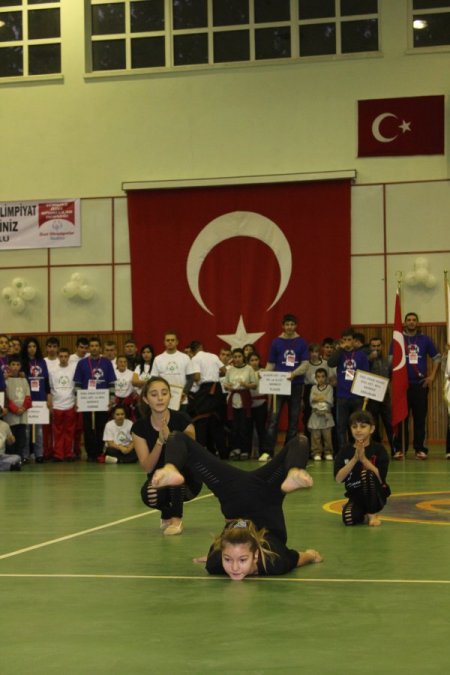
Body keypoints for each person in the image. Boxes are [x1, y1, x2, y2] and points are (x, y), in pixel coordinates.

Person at [151, 431, 322, 580]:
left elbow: (298, 558)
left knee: (177, 437)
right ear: (256, 556)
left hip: (234, 495)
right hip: (265, 493)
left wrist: (218, 556)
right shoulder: (272, 561)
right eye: (229, 559)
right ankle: (294, 471)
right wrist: (311, 555)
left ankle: (170, 467)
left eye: (239, 560)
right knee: (299, 441)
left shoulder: (216, 563)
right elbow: (297, 558)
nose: (234, 568)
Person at [132, 376, 196, 536]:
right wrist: (160, 441)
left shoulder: (183, 419)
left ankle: (176, 519)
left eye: (164, 393)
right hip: (158, 479)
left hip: (187, 480)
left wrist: (172, 438)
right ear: (146, 399)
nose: (160, 398)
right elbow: (147, 467)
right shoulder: (139, 427)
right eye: (154, 394)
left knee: (173, 476)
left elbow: (192, 451)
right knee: (149, 494)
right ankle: (167, 513)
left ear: (170, 396)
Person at [395, 312, 441, 459]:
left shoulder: (425, 339)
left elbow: (437, 358)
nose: (411, 322)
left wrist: (432, 376)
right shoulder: (398, 339)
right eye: (408, 320)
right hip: (402, 386)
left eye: (414, 320)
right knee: (401, 418)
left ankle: (420, 449)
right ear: (404, 322)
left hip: (420, 385)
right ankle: (401, 449)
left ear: (417, 323)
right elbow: (391, 360)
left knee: (420, 419)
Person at [262, 314, 309, 458]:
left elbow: (305, 364)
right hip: (279, 385)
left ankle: (289, 452)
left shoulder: (302, 342)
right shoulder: (276, 342)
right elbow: (271, 364)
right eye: (287, 324)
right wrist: (264, 374)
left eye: (292, 324)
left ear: (296, 326)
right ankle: (268, 451)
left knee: (293, 419)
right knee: (273, 418)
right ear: (283, 326)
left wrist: (294, 374)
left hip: (296, 384)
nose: (289, 327)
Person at [334, 410, 390, 527]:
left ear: (372, 429)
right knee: (349, 519)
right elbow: (338, 479)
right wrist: (355, 459)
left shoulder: (379, 450)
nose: (358, 430)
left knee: (367, 474)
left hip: (376, 495)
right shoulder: (344, 451)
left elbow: (380, 478)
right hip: (356, 497)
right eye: (354, 427)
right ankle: (362, 513)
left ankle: (372, 514)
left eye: (363, 426)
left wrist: (364, 459)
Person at [73, 337, 116, 462]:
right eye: (91, 346)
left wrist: (112, 398)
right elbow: (78, 384)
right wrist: (77, 400)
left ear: (100, 348)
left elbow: (111, 383)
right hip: (86, 401)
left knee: (101, 427)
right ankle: (90, 453)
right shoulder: (82, 363)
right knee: (87, 428)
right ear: (89, 348)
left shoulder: (107, 363)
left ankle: (99, 452)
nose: (94, 348)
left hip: (102, 402)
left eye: (96, 346)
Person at [327, 328, 370, 452]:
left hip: (357, 396)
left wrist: (365, 393)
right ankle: (343, 451)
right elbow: (330, 363)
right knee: (341, 426)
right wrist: (340, 349)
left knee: (357, 425)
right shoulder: (339, 354)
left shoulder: (361, 355)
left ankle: (357, 450)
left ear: (354, 341)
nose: (347, 342)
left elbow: (365, 373)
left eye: (349, 340)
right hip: (342, 395)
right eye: (344, 340)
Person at [187, 340, 227, 457]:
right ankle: (223, 452)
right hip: (217, 389)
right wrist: (213, 374)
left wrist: (194, 378)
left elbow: (197, 377)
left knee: (202, 420)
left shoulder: (195, 359)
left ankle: (201, 453)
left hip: (206, 390)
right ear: (201, 347)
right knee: (216, 420)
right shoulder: (213, 356)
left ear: (192, 351)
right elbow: (224, 371)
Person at [223, 347, 258, 460]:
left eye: (239, 356)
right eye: (235, 357)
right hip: (233, 400)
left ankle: (245, 450)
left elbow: (254, 385)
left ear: (243, 357)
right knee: (234, 427)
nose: (237, 359)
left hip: (244, 399)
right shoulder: (230, 370)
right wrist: (228, 386)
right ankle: (235, 448)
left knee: (244, 426)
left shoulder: (249, 369)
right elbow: (225, 384)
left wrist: (245, 385)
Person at [20, 337, 50, 464]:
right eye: (29, 347)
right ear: (25, 348)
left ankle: (39, 454)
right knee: (26, 430)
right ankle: (25, 454)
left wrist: (48, 396)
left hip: (40, 399)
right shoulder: (22, 362)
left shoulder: (42, 362)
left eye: (34, 346)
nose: (32, 349)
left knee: (39, 430)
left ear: (37, 348)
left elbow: (46, 380)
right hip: (26, 399)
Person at [366, 336, 396, 457]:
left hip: (385, 397)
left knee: (389, 423)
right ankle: (376, 451)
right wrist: (369, 360)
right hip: (371, 397)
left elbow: (391, 376)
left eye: (378, 346)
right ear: (370, 347)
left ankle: (395, 449)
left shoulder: (387, 361)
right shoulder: (365, 360)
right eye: (373, 346)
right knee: (374, 425)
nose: (376, 348)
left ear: (382, 346)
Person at [151, 332, 194, 410]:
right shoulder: (158, 359)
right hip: (163, 399)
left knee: (180, 418)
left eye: (172, 340)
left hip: (181, 399)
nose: (170, 342)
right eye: (168, 340)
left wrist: (184, 392)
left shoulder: (185, 358)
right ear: (164, 342)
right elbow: (154, 379)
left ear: (177, 342)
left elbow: (191, 378)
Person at [48, 347, 77, 462]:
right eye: (61, 356)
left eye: (65, 356)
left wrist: (76, 402)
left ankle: (69, 453)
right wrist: (50, 403)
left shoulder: (73, 369)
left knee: (70, 430)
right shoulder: (52, 371)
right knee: (57, 431)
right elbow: (50, 388)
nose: (63, 358)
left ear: (69, 357)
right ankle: (58, 454)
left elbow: (76, 387)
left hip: (70, 403)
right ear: (58, 357)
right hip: (56, 405)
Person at [4, 355, 32, 461]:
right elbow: (6, 398)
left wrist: (23, 408)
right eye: (13, 364)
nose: (15, 367)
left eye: (17, 365)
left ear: (20, 366)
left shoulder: (24, 380)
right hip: (11, 416)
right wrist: (15, 409)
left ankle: (19, 459)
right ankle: (11, 460)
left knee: (22, 439)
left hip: (22, 415)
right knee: (11, 439)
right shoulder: (5, 381)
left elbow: (28, 397)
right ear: (8, 366)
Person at [308, 368, 334, 461]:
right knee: (316, 436)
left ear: (326, 377)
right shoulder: (313, 388)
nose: (321, 379)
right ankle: (316, 452)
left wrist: (318, 397)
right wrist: (323, 397)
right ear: (316, 378)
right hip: (315, 414)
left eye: (323, 376)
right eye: (318, 377)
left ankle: (328, 452)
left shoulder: (329, 388)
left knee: (327, 437)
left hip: (326, 415)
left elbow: (330, 401)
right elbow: (312, 401)